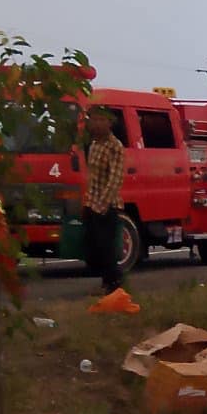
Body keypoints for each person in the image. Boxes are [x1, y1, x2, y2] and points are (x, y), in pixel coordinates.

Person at [82, 106, 126, 296]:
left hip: (107, 205)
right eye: (94, 119)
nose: (97, 123)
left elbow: (115, 179)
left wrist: (102, 204)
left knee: (106, 247)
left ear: (110, 123)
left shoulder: (114, 146)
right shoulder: (93, 144)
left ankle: (114, 285)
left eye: (101, 120)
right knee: (93, 248)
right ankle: (106, 283)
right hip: (91, 202)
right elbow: (91, 176)